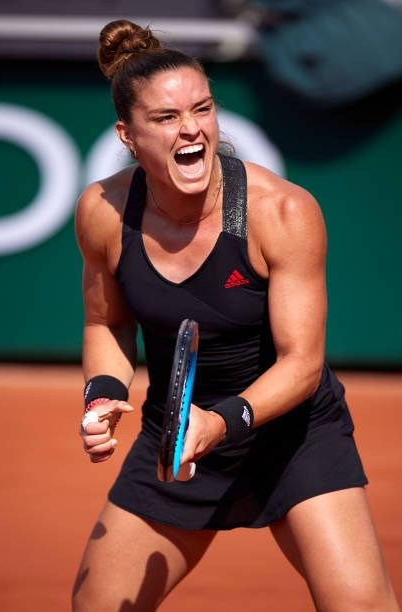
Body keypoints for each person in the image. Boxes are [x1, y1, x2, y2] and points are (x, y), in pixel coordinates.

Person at [72, 19, 399, 612]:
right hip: (174, 434)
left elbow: (302, 364)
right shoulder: (102, 211)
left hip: (291, 436)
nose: (192, 128)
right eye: (166, 118)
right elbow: (106, 322)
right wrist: (100, 396)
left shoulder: (284, 211)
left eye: (202, 108)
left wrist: (219, 424)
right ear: (127, 135)